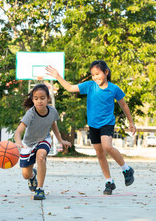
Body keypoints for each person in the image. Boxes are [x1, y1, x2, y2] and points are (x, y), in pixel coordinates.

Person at [46, 60, 136, 195]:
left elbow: (124, 105)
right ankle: (109, 182)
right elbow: (70, 88)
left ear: (106, 72)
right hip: (93, 125)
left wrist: (131, 122)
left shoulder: (114, 89)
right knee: (100, 154)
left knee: (107, 146)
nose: (95, 77)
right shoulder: (90, 86)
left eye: (97, 74)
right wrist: (57, 76)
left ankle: (126, 169)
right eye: (93, 75)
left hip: (107, 123)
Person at [14, 83, 71, 200]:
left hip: (44, 139)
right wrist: (18, 142)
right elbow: (18, 132)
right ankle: (33, 175)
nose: (39, 101)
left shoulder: (52, 111)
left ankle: (39, 189)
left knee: (41, 156)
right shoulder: (30, 113)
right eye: (36, 99)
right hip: (28, 144)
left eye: (42, 98)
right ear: (33, 100)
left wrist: (61, 140)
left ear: (48, 99)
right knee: (26, 175)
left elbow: (53, 125)